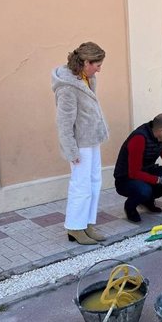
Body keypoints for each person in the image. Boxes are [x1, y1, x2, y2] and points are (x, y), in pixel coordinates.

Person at [52, 42, 110, 245]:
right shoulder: (67, 87)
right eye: (97, 64)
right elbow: (64, 123)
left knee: (95, 181)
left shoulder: (87, 78)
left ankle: (87, 223)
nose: (99, 69)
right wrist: (71, 151)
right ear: (85, 62)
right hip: (80, 144)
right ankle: (75, 227)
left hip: (92, 139)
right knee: (81, 184)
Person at [113, 113, 162, 222]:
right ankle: (130, 207)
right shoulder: (139, 138)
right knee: (144, 190)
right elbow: (134, 173)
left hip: (147, 171)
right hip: (126, 179)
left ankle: (147, 200)